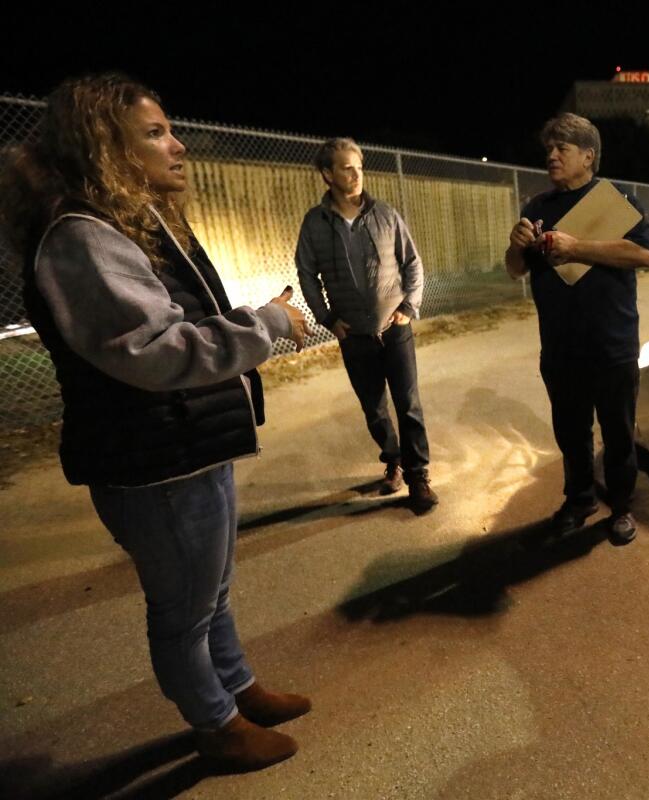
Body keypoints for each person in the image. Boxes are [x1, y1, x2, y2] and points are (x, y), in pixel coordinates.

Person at [0, 74, 314, 770]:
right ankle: (215, 726)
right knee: (182, 610)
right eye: (154, 134)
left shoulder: (127, 220)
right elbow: (157, 349)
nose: (178, 146)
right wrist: (267, 323)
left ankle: (236, 689)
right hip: (155, 463)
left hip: (185, 448)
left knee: (212, 592)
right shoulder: (81, 236)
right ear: (103, 146)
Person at [505, 113, 649, 545]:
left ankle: (623, 507)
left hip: (612, 345)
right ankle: (580, 499)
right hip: (559, 347)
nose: (551, 156)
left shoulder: (616, 199)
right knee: (571, 434)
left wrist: (577, 246)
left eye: (562, 149)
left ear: (588, 156)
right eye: (549, 149)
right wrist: (516, 248)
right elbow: (515, 271)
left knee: (618, 434)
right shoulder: (537, 208)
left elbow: (644, 255)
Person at [295, 138, 438, 511]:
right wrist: (328, 319)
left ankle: (419, 477)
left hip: (395, 329)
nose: (356, 173)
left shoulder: (385, 214)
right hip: (354, 336)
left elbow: (413, 263)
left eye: (359, 166)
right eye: (346, 167)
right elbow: (307, 275)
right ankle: (394, 459)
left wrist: (409, 305)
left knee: (408, 404)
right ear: (328, 174)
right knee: (374, 408)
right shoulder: (315, 223)